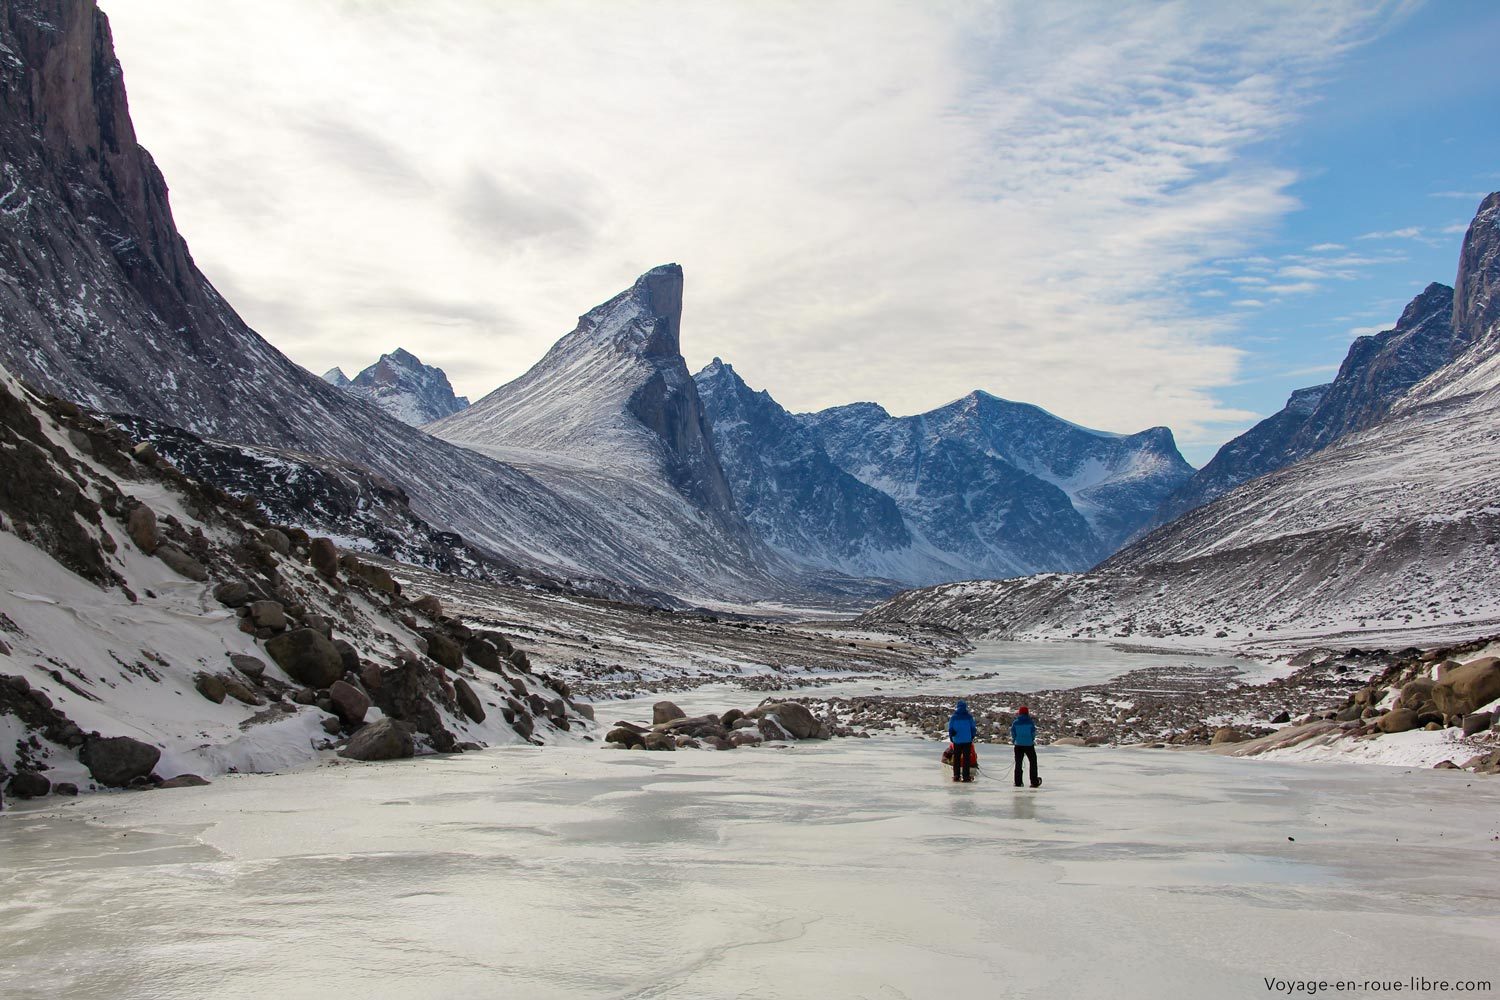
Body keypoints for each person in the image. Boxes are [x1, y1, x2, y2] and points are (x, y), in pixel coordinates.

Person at [947, 700, 977, 783]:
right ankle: (966, 776)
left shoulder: (954, 717)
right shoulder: (969, 717)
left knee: (956, 758)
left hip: (957, 740)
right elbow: (973, 728)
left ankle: (956, 776)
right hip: (967, 740)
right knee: (966, 759)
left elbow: (950, 728)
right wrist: (972, 736)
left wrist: (951, 738)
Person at [1012, 706, 1040, 788]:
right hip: (1029, 745)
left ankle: (1018, 782)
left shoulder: (1015, 722)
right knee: (1033, 762)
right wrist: (1031, 739)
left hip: (1018, 745)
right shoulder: (1030, 722)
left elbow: (1013, 733)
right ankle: (1034, 781)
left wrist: (1015, 740)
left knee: (1018, 763)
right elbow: (1033, 733)